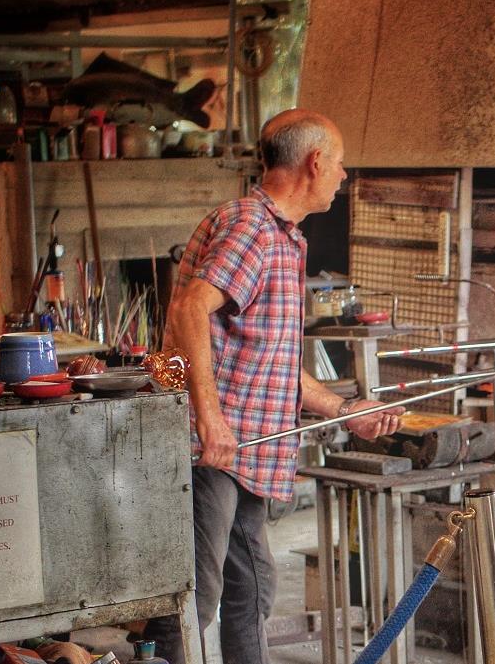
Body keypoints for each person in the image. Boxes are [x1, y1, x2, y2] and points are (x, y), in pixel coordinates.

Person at [144, 109, 404, 664]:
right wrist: (209, 419)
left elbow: (274, 363)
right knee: (195, 596)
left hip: (245, 450)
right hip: (212, 449)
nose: (343, 175)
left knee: (253, 587)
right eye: (339, 164)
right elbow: (191, 306)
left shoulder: (280, 238)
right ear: (314, 162)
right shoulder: (253, 228)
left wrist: (344, 409)